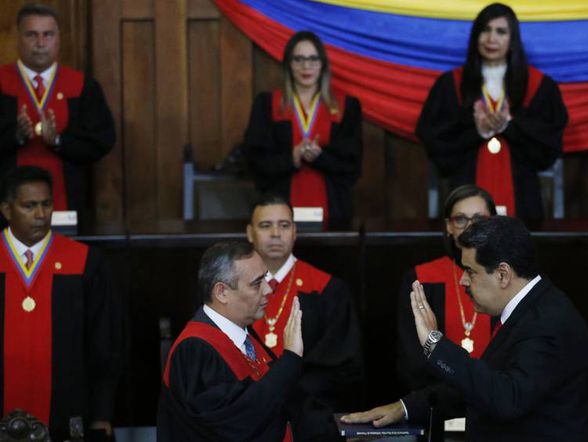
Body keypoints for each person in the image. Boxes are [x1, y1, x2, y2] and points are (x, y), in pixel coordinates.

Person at [343, 216, 588, 441]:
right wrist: (405, 407)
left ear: (502, 275)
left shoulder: (547, 324)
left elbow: (506, 398)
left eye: (470, 272)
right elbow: (482, 384)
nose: (463, 280)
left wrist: (435, 343)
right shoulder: (531, 308)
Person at [0, 166, 121, 440]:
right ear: (7, 210)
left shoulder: (85, 262)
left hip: (68, 415)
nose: (41, 215)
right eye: (29, 206)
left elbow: (104, 342)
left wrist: (103, 413)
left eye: (46, 204)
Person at [416, 3, 567, 220]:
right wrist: (476, 130)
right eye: (485, 30)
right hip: (464, 191)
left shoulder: (539, 86)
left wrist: (510, 127)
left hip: (522, 196)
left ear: (512, 38)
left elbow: (548, 146)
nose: (491, 39)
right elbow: (434, 139)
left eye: (501, 31)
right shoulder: (451, 85)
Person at [158, 241, 310, 441]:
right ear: (222, 292)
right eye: (257, 283)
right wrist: (289, 359)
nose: (268, 290)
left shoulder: (244, 336)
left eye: (265, 278)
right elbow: (238, 423)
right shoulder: (195, 349)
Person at [246, 193, 364, 411]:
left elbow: (340, 367)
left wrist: (282, 396)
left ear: (294, 232)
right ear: (250, 233)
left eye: (284, 225)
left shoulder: (326, 288)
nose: (275, 234)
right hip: (244, 409)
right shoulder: (232, 289)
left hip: (304, 410)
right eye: (265, 225)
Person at [0, 4, 115, 211]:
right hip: (6, 208)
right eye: (31, 35)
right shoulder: (1, 82)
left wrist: (59, 141)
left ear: (58, 39)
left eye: (48, 35)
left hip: (67, 202)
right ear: (17, 39)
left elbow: (102, 141)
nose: (40, 43)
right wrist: (14, 136)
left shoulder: (82, 86)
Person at [243, 31, 362, 224]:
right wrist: (293, 157)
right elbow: (254, 163)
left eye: (313, 59)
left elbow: (352, 169)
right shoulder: (267, 105)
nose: (306, 66)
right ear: (288, 64)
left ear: (322, 64)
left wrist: (320, 157)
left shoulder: (345, 107)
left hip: (333, 215)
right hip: (278, 219)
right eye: (298, 59)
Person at [397, 184, 497, 391]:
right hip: (436, 399)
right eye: (461, 219)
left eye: (479, 219)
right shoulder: (421, 278)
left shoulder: (506, 277)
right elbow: (412, 357)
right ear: (449, 227)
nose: (471, 227)